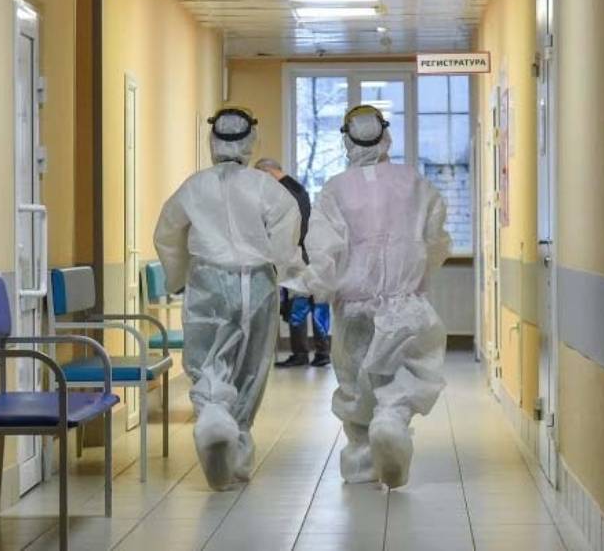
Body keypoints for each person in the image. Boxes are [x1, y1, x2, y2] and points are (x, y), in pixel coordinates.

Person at [283, 104, 450, 489]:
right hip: (405, 303)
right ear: (384, 135)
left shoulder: (335, 189)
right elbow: (436, 239)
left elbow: (324, 251)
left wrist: (313, 284)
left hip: (354, 305)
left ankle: (362, 464)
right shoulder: (414, 183)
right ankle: (391, 420)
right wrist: (418, 276)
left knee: (356, 388)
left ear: (347, 140)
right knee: (403, 375)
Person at [154, 107, 302, 490]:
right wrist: (284, 269)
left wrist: (177, 276)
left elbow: (167, 233)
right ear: (251, 139)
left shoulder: (194, 186)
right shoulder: (264, 186)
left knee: (208, 361)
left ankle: (213, 416)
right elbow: (287, 227)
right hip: (257, 283)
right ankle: (236, 445)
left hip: (208, 280)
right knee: (250, 367)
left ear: (213, 140)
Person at [253, 158, 331, 368]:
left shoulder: (282, 191)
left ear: (268, 172)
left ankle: (300, 353)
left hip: (297, 252)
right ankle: (322, 351)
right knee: (316, 302)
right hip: (310, 250)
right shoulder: (298, 188)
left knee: (299, 303)